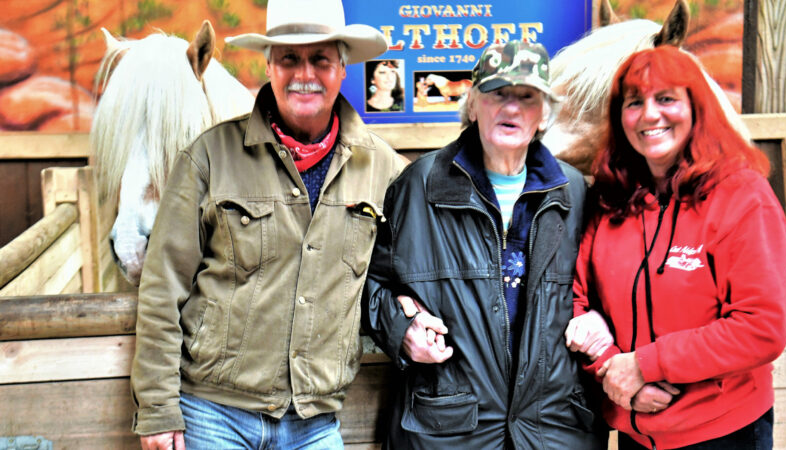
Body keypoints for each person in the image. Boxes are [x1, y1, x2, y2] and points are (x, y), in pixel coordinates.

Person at [129, 0, 406, 448]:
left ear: (342, 68)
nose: (304, 74)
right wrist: (158, 409)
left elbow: (408, 268)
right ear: (269, 66)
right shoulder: (209, 156)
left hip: (315, 421)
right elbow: (163, 286)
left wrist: (413, 315)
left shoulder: (385, 169)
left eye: (321, 60)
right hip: (213, 415)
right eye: (289, 58)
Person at [362, 40, 607, 449]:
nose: (511, 108)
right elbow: (366, 284)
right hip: (449, 431)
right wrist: (401, 328)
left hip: (553, 430)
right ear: (473, 105)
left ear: (544, 114)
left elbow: (607, 289)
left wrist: (601, 319)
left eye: (526, 97)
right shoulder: (419, 186)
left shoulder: (575, 193)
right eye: (497, 94)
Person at [565, 45, 786, 449]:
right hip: (636, 429)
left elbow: (762, 326)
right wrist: (615, 372)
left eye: (666, 99)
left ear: (696, 108)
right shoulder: (610, 200)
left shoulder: (741, 195)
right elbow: (577, 300)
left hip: (722, 430)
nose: (650, 115)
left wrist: (645, 365)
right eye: (635, 102)